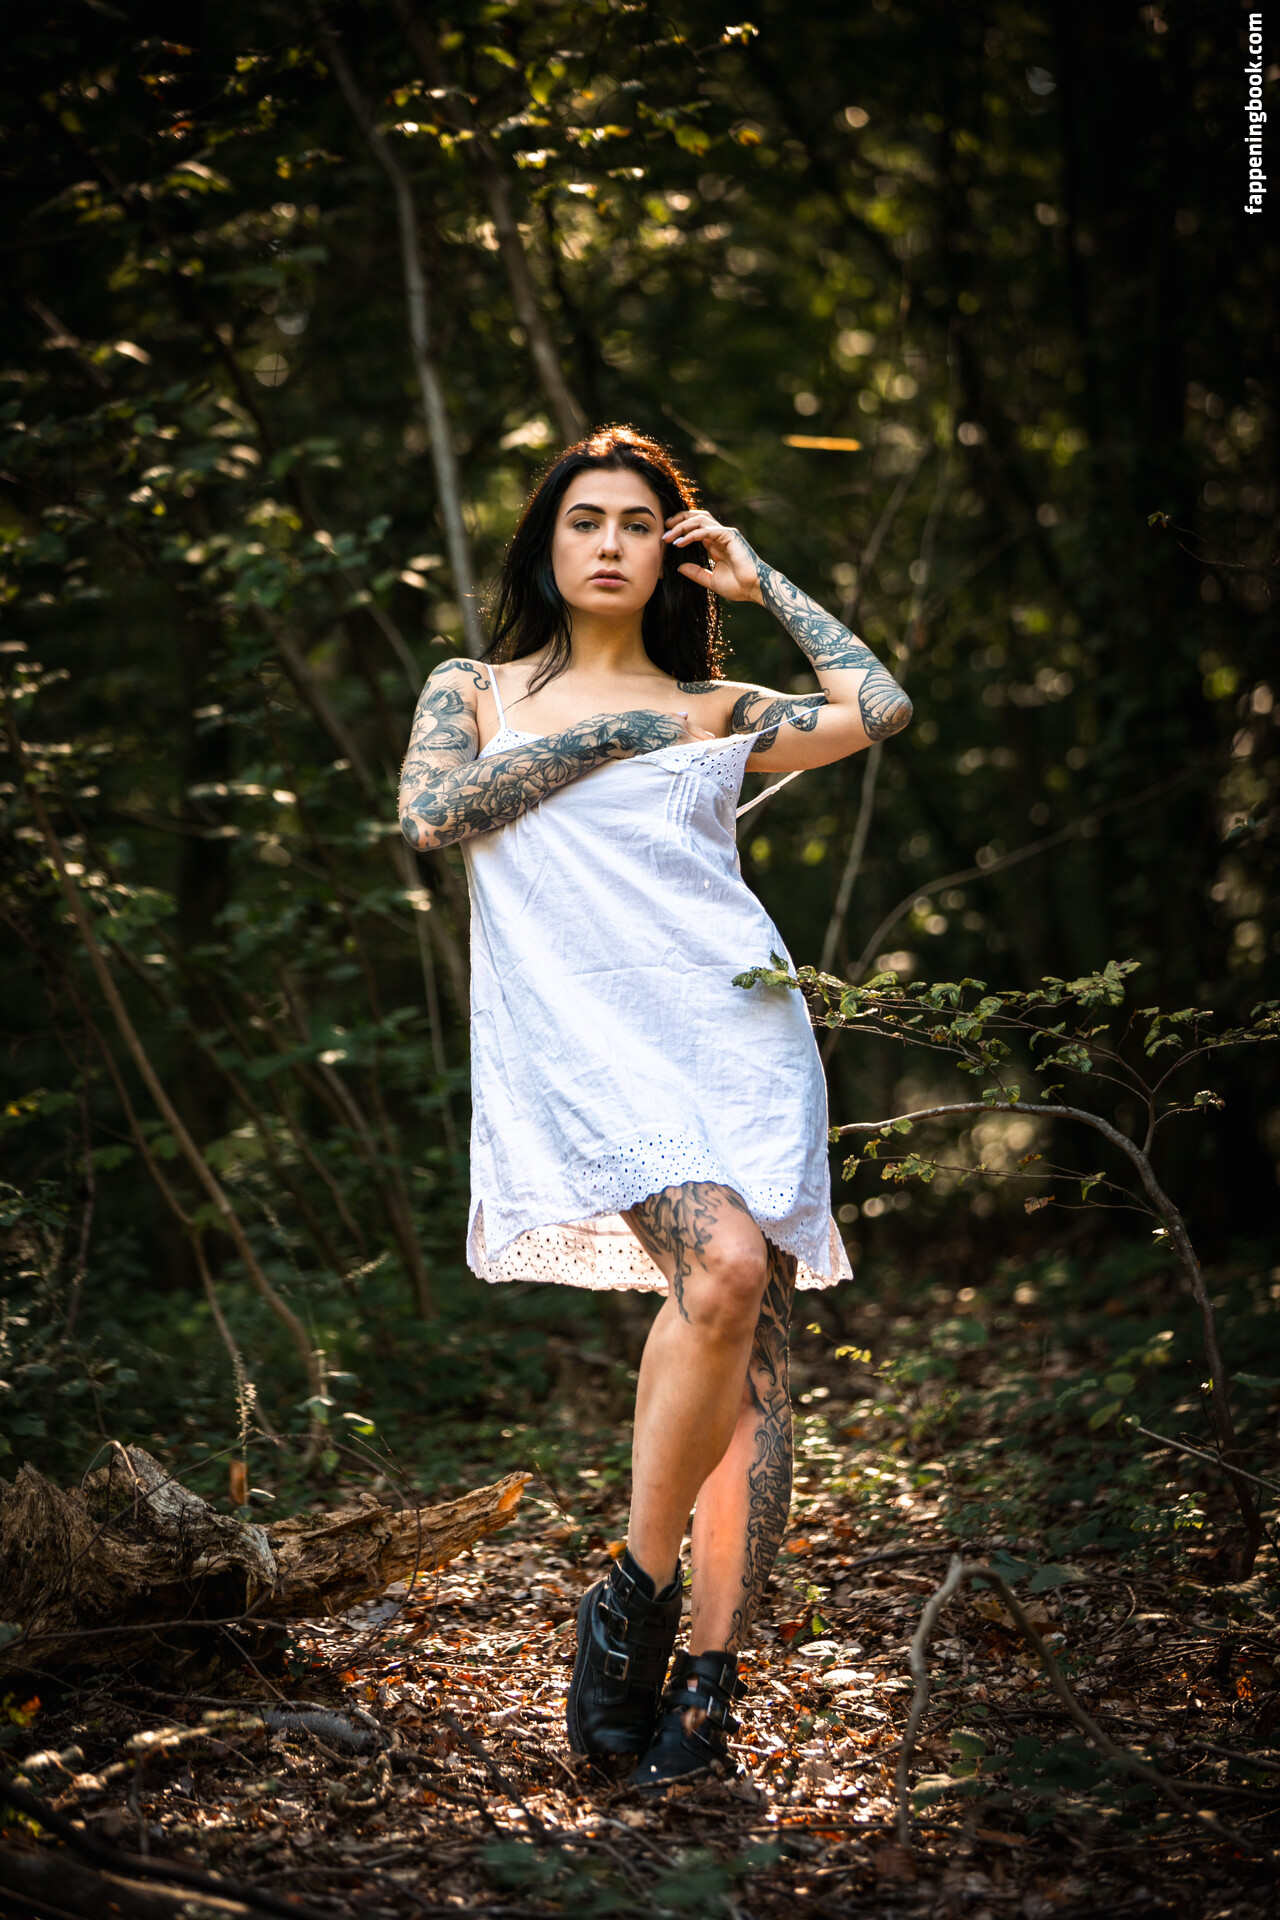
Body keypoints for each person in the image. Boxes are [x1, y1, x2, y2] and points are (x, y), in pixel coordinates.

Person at [398, 425, 911, 1790]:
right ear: (545, 547)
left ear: (671, 551)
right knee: (723, 1266)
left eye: (639, 522)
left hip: (734, 1035)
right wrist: (615, 731)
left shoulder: (719, 705)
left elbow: (879, 708)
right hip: (586, 1046)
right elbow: (432, 818)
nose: (612, 543)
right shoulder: (474, 689)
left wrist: (763, 579)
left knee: (753, 1360)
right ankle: (632, 1594)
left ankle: (710, 1683)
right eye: (586, 521)